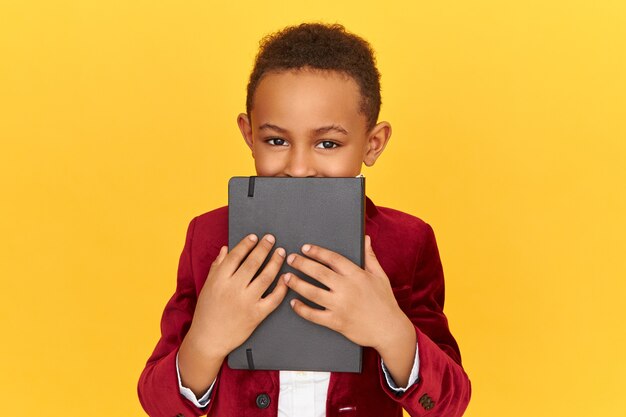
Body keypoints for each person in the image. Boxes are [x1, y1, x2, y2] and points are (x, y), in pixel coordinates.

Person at [138, 23, 471, 417]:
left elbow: (449, 404)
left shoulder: (408, 240)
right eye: (276, 140)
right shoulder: (209, 237)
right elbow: (156, 403)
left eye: (328, 143)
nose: (298, 168)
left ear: (373, 143)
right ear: (249, 135)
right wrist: (206, 341)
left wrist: (390, 331)